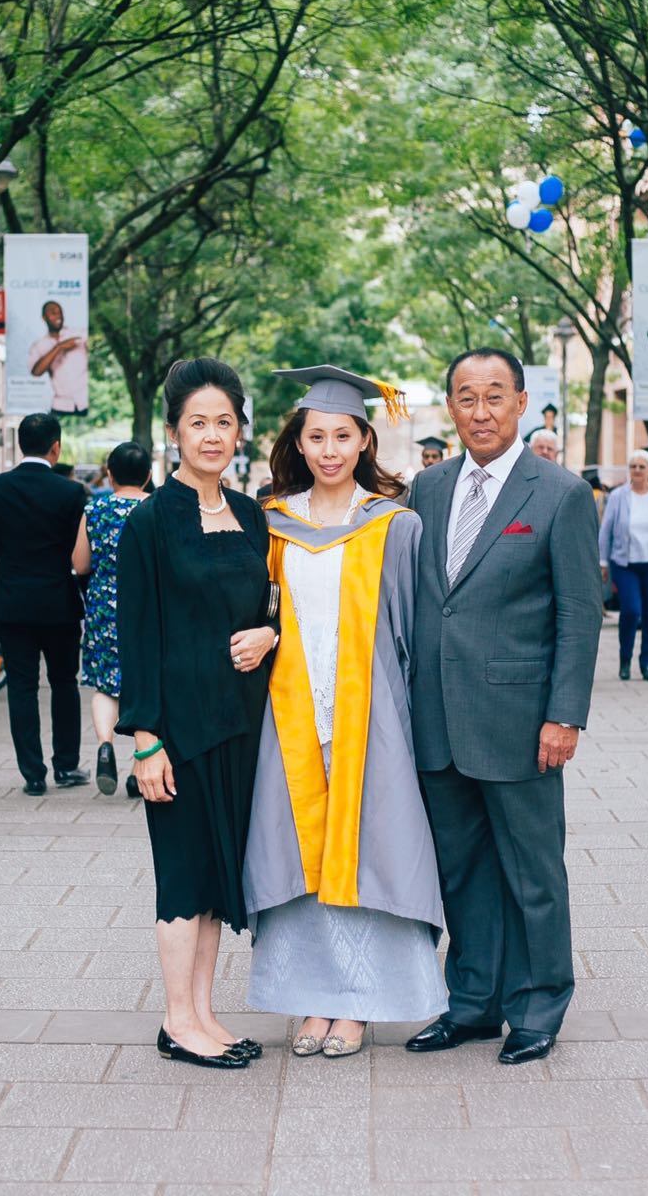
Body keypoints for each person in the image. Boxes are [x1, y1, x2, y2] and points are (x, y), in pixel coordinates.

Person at [406, 348, 602, 1066]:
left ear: (522, 403)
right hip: (438, 720)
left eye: (495, 396)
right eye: (466, 397)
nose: (480, 411)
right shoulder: (425, 490)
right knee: (461, 871)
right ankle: (473, 1004)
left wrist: (565, 714)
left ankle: (539, 1006)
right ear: (450, 407)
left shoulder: (559, 492)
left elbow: (580, 615)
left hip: (523, 723)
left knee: (533, 873)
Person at [244, 366, 445, 1059]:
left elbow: (417, 633)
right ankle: (310, 1001)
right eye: (315, 436)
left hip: (373, 719)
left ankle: (359, 1007)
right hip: (290, 719)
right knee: (296, 856)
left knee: (374, 856)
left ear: (365, 440)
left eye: (342, 435)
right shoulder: (270, 523)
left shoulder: (395, 526)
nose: (329, 449)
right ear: (297, 444)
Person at [116, 358, 279, 1071]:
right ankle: (178, 1021)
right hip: (178, 730)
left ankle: (204, 1014)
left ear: (240, 429)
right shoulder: (149, 521)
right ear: (174, 432)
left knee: (217, 876)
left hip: (240, 724)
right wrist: (146, 740)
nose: (212, 436)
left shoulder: (249, 513)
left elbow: (271, 607)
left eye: (224, 422)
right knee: (182, 875)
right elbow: (137, 635)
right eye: (197, 423)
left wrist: (269, 635)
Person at [0, 413, 88, 796]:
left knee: (21, 687)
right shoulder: (71, 493)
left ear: (20, 445)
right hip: (59, 603)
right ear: (55, 447)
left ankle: (32, 773)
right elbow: (80, 555)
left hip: (12, 603)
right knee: (64, 683)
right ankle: (66, 765)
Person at [72, 441, 151, 797]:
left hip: (105, 608)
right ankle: (140, 765)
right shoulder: (156, 508)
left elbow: (80, 564)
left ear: (110, 473)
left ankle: (105, 744)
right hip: (148, 605)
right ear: (149, 475)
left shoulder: (96, 508)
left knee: (107, 685)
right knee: (146, 683)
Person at [598, 450, 648, 681]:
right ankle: (625, 659)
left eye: (641, 467)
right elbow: (606, 530)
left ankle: (646, 663)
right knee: (632, 610)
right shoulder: (618, 496)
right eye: (633, 466)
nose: (636, 470)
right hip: (625, 563)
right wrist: (603, 561)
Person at [28, 300, 88, 416]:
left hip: (85, 402)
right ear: (44, 318)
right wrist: (58, 347)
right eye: (53, 313)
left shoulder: (79, 334)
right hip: (61, 405)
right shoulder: (39, 345)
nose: (58, 316)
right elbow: (36, 372)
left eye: (60, 312)